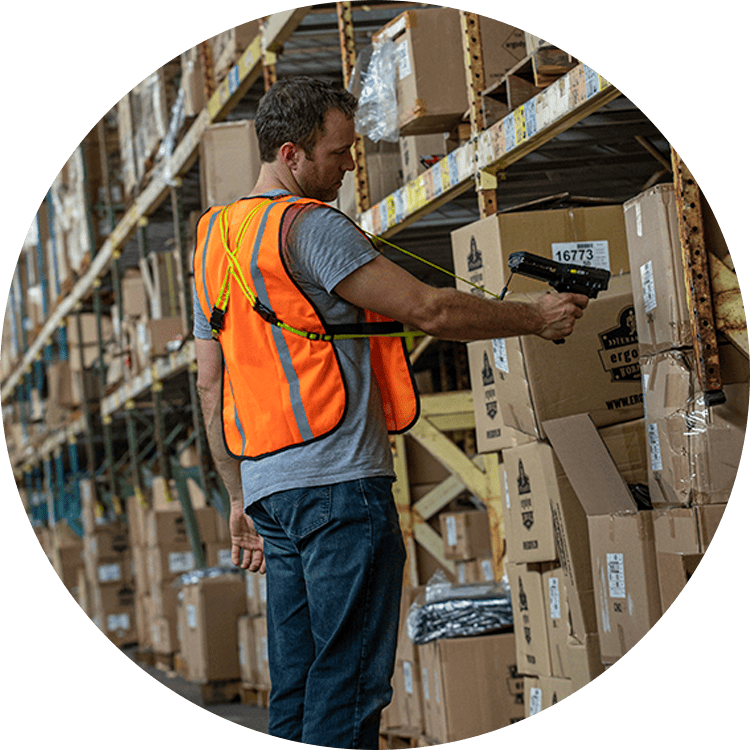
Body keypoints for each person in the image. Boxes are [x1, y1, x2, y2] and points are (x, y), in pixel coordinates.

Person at [193, 76, 588, 749]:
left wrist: (236, 496)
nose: (349, 168)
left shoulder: (214, 240)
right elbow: (428, 309)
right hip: (339, 489)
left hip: (267, 492)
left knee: (297, 685)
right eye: (338, 154)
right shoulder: (307, 226)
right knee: (348, 685)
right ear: (291, 155)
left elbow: (209, 385)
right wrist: (535, 316)